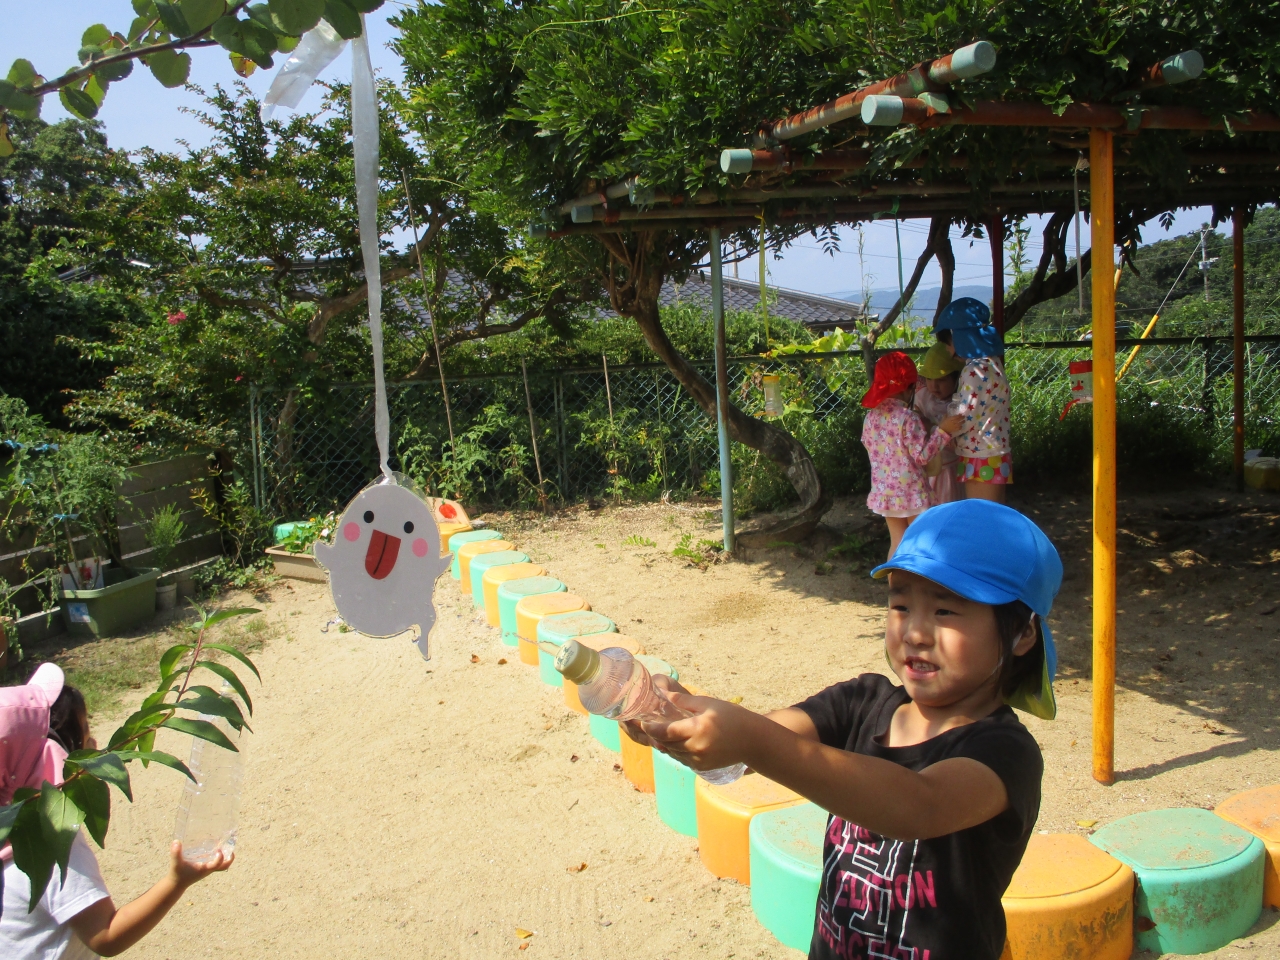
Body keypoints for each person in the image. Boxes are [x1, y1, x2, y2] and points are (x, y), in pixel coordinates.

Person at [631, 500, 1061, 960]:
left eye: (945, 611)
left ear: (1022, 633)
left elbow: (919, 806)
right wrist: (675, 713)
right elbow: (767, 735)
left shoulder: (1004, 752)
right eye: (900, 605)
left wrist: (748, 739)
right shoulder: (861, 702)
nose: (915, 633)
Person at [1, 663, 233, 959]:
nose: (95, 744)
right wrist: (177, 881)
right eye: (85, 737)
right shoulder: (52, 845)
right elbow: (106, 935)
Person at [860, 351, 964, 559]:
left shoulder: (871, 418)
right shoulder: (908, 418)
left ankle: (894, 580)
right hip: (912, 493)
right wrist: (943, 431)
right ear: (910, 388)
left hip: (886, 493)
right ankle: (915, 580)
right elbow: (922, 457)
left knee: (897, 542)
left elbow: (868, 444)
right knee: (919, 542)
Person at [933, 297, 1012, 504]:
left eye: (948, 344)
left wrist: (942, 431)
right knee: (993, 513)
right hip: (995, 452)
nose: (948, 350)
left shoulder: (973, 370)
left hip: (979, 455)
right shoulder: (993, 364)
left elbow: (964, 417)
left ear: (959, 337)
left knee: (982, 515)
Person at [913, 342, 965, 506]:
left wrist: (931, 427)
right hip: (928, 469)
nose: (934, 386)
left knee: (949, 508)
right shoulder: (922, 397)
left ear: (957, 378)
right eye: (929, 379)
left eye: (942, 380)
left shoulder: (961, 404)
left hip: (951, 470)